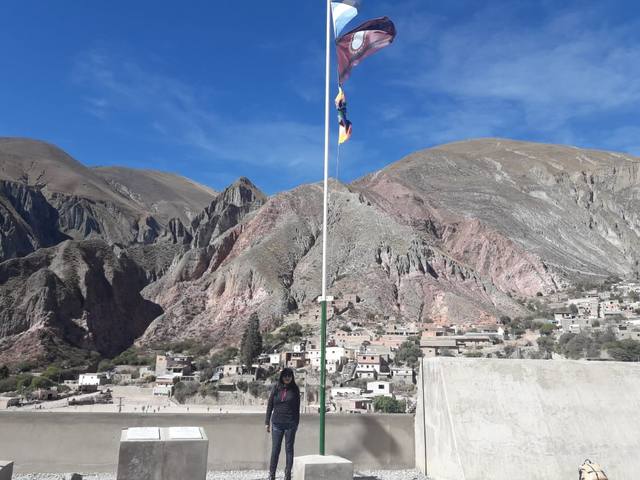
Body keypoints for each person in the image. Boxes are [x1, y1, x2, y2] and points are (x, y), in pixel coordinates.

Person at [265, 368, 300, 480]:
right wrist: (267, 422)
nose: (287, 377)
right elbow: (270, 405)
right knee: (275, 449)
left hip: (290, 424)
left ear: (292, 377)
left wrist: (296, 424)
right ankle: (272, 474)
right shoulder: (276, 388)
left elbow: (297, 408)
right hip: (276, 424)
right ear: (281, 376)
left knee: (289, 449)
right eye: (285, 375)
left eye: (289, 375)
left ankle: (288, 474)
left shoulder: (295, 390)